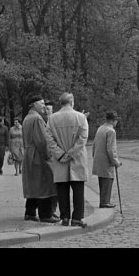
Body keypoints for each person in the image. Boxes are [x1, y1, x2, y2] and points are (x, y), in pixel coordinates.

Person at [45, 92, 90, 227]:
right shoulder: (81, 117)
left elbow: (49, 139)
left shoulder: (52, 119)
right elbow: (83, 138)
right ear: (72, 102)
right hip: (77, 158)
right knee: (78, 190)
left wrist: (60, 154)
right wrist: (71, 154)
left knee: (62, 190)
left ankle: (64, 217)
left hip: (60, 160)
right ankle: (77, 218)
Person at [21, 95, 59, 223]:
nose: (43, 106)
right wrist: (48, 155)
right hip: (37, 155)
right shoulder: (37, 119)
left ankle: (30, 212)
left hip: (29, 153)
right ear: (34, 105)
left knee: (33, 184)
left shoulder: (27, 117)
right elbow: (42, 141)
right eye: (41, 103)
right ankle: (45, 214)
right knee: (44, 183)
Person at [91, 111, 123, 208]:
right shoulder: (111, 131)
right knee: (108, 180)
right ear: (114, 121)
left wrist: (94, 156)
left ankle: (103, 200)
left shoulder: (100, 128)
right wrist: (115, 161)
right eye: (116, 120)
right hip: (106, 161)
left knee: (102, 181)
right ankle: (105, 202)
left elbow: (94, 144)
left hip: (98, 159)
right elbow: (111, 149)